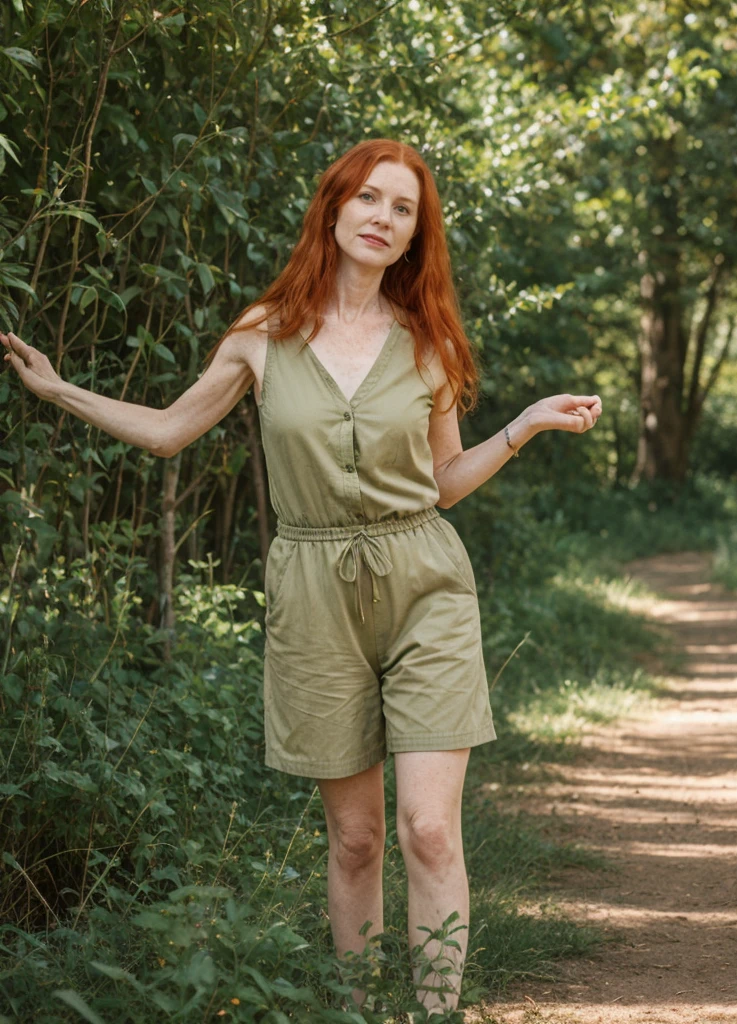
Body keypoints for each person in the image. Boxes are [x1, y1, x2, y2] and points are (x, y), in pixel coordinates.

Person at [2, 137, 601, 1016]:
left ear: (412, 238)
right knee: (356, 839)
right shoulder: (264, 335)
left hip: (425, 579)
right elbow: (171, 430)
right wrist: (59, 392)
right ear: (334, 208)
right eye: (369, 198)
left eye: (403, 210)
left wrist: (522, 426)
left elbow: (440, 484)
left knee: (428, 829)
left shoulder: (428, 341)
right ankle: (358, 1010)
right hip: (314, 588)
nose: (382, 218)